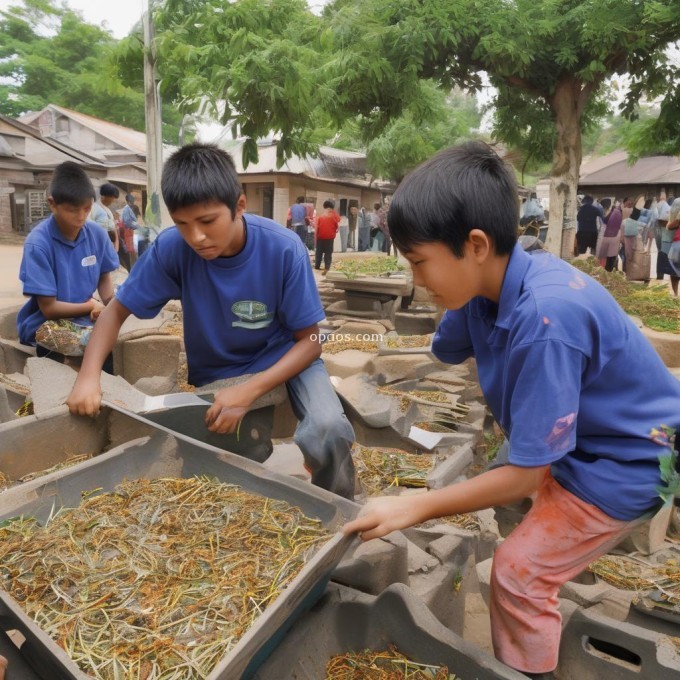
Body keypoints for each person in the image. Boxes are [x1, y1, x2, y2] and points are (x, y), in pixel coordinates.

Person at [343, 142, 680, 679]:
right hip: (580, 440)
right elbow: (436, 352)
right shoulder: (483, 288)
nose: (416, 280)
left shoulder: (548, 320)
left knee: (518, 572)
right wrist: (356, 347)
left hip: (631, 459)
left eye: (418, 262)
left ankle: (529, 671)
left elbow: (527, 474)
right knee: (508, 487)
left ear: (474, 244)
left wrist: (415, 505)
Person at [66, 143, 355, 499]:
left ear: (239, 206)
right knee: (215, 477)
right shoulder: (173, 247)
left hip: (286, 358)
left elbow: (310, 342)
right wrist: (88, 376)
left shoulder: (283, 248)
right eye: (183, 224)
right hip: (218, 370)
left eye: (207, 222)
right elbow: (114, 312)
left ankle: (339, 506)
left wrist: (248, 392)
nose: (196, 237)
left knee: (327, 427)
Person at [17, 162, 119, 367]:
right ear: (52, 203)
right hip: (47, 324)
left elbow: (104, 280)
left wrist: (114, 305)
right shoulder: (38, 244)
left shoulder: (96, 235)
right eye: (73, 210)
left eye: (87, 209)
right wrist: (91, 305)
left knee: (116, 338)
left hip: (84, 318)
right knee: (97, 345)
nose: (81, 217)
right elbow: (49, 308)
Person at [90, 183, 121, 255]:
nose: (113, 201)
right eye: (113, 198)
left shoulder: (108, 211)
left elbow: (114, 229)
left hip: (110, 247)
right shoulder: (93, 208)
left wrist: (116, 248)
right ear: (105, 196)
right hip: (97, 247)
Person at [314, 199, 340, 273]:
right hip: (330, 238)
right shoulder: (334, 215)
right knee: (328, 253)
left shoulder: (321, 216)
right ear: (332, 207)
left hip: (320, 237)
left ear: (324, 207)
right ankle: (327, 267)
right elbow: (338, 221)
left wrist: (316, 238)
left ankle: (317, 265)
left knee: (319, 252)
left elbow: (317, 227)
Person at [595, 198, 621, 272]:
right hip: (613, 238)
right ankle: (609, 270)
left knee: (604, 258)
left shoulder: (602, 215)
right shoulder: (616, 212)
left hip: (605, 239)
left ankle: (605, 271)